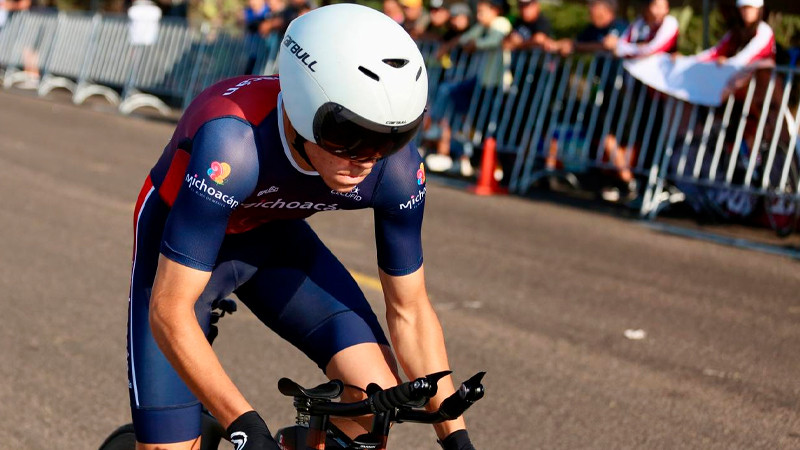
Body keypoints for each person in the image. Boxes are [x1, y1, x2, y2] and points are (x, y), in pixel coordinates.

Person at [126, 4, 477, 450]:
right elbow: (169, 309)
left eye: (392, 138)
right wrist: (244, 426)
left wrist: (456, 438)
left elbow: (410, 311)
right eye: (350, 136)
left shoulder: (397, 169)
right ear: (302, 107)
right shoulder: (234, 143)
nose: (367, 160)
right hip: (177, 246)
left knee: (374, 401)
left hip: (275, 238)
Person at [600, 0, 680, 202]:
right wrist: (631, 48)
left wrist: (626, 49)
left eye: (661, 5)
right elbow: (620, 46)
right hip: (636, 91)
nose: (657, 10)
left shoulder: (669, 23)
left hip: (658, 94)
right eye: (654, 5)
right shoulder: (638, 25)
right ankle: (634, 184)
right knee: (634, 137)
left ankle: (658, 184)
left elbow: (653, 49)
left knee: (655, 137)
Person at [424, 0, 511, 176]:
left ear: (495, 11)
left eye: (482, 11)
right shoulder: (483, 26)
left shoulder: (500, 23)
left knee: (485, 126)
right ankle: (453, 147)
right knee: (458, 109)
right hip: (481, 82)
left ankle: (490, 167)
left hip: (495, 84)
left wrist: (475, 44)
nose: (478, 15)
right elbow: (466, 38)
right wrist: (469, 41)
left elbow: (494, 41)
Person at [694, 0, 775, 67]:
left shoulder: (765, 32)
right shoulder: (735, 33)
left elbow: (745, 59)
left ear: (759, 10)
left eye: (750, 8)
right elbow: (716, 52)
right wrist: (693, 61)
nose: (747, 11)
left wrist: (727, 62)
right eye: (744, 8)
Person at [549, 0, 627, 56]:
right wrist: (559, 45)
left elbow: (608, 45)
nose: (590, 9)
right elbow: (576, 42)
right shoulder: (593, 28)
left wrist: (576, 46)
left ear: (605, 9)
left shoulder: (620, 25)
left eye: (593, 5)